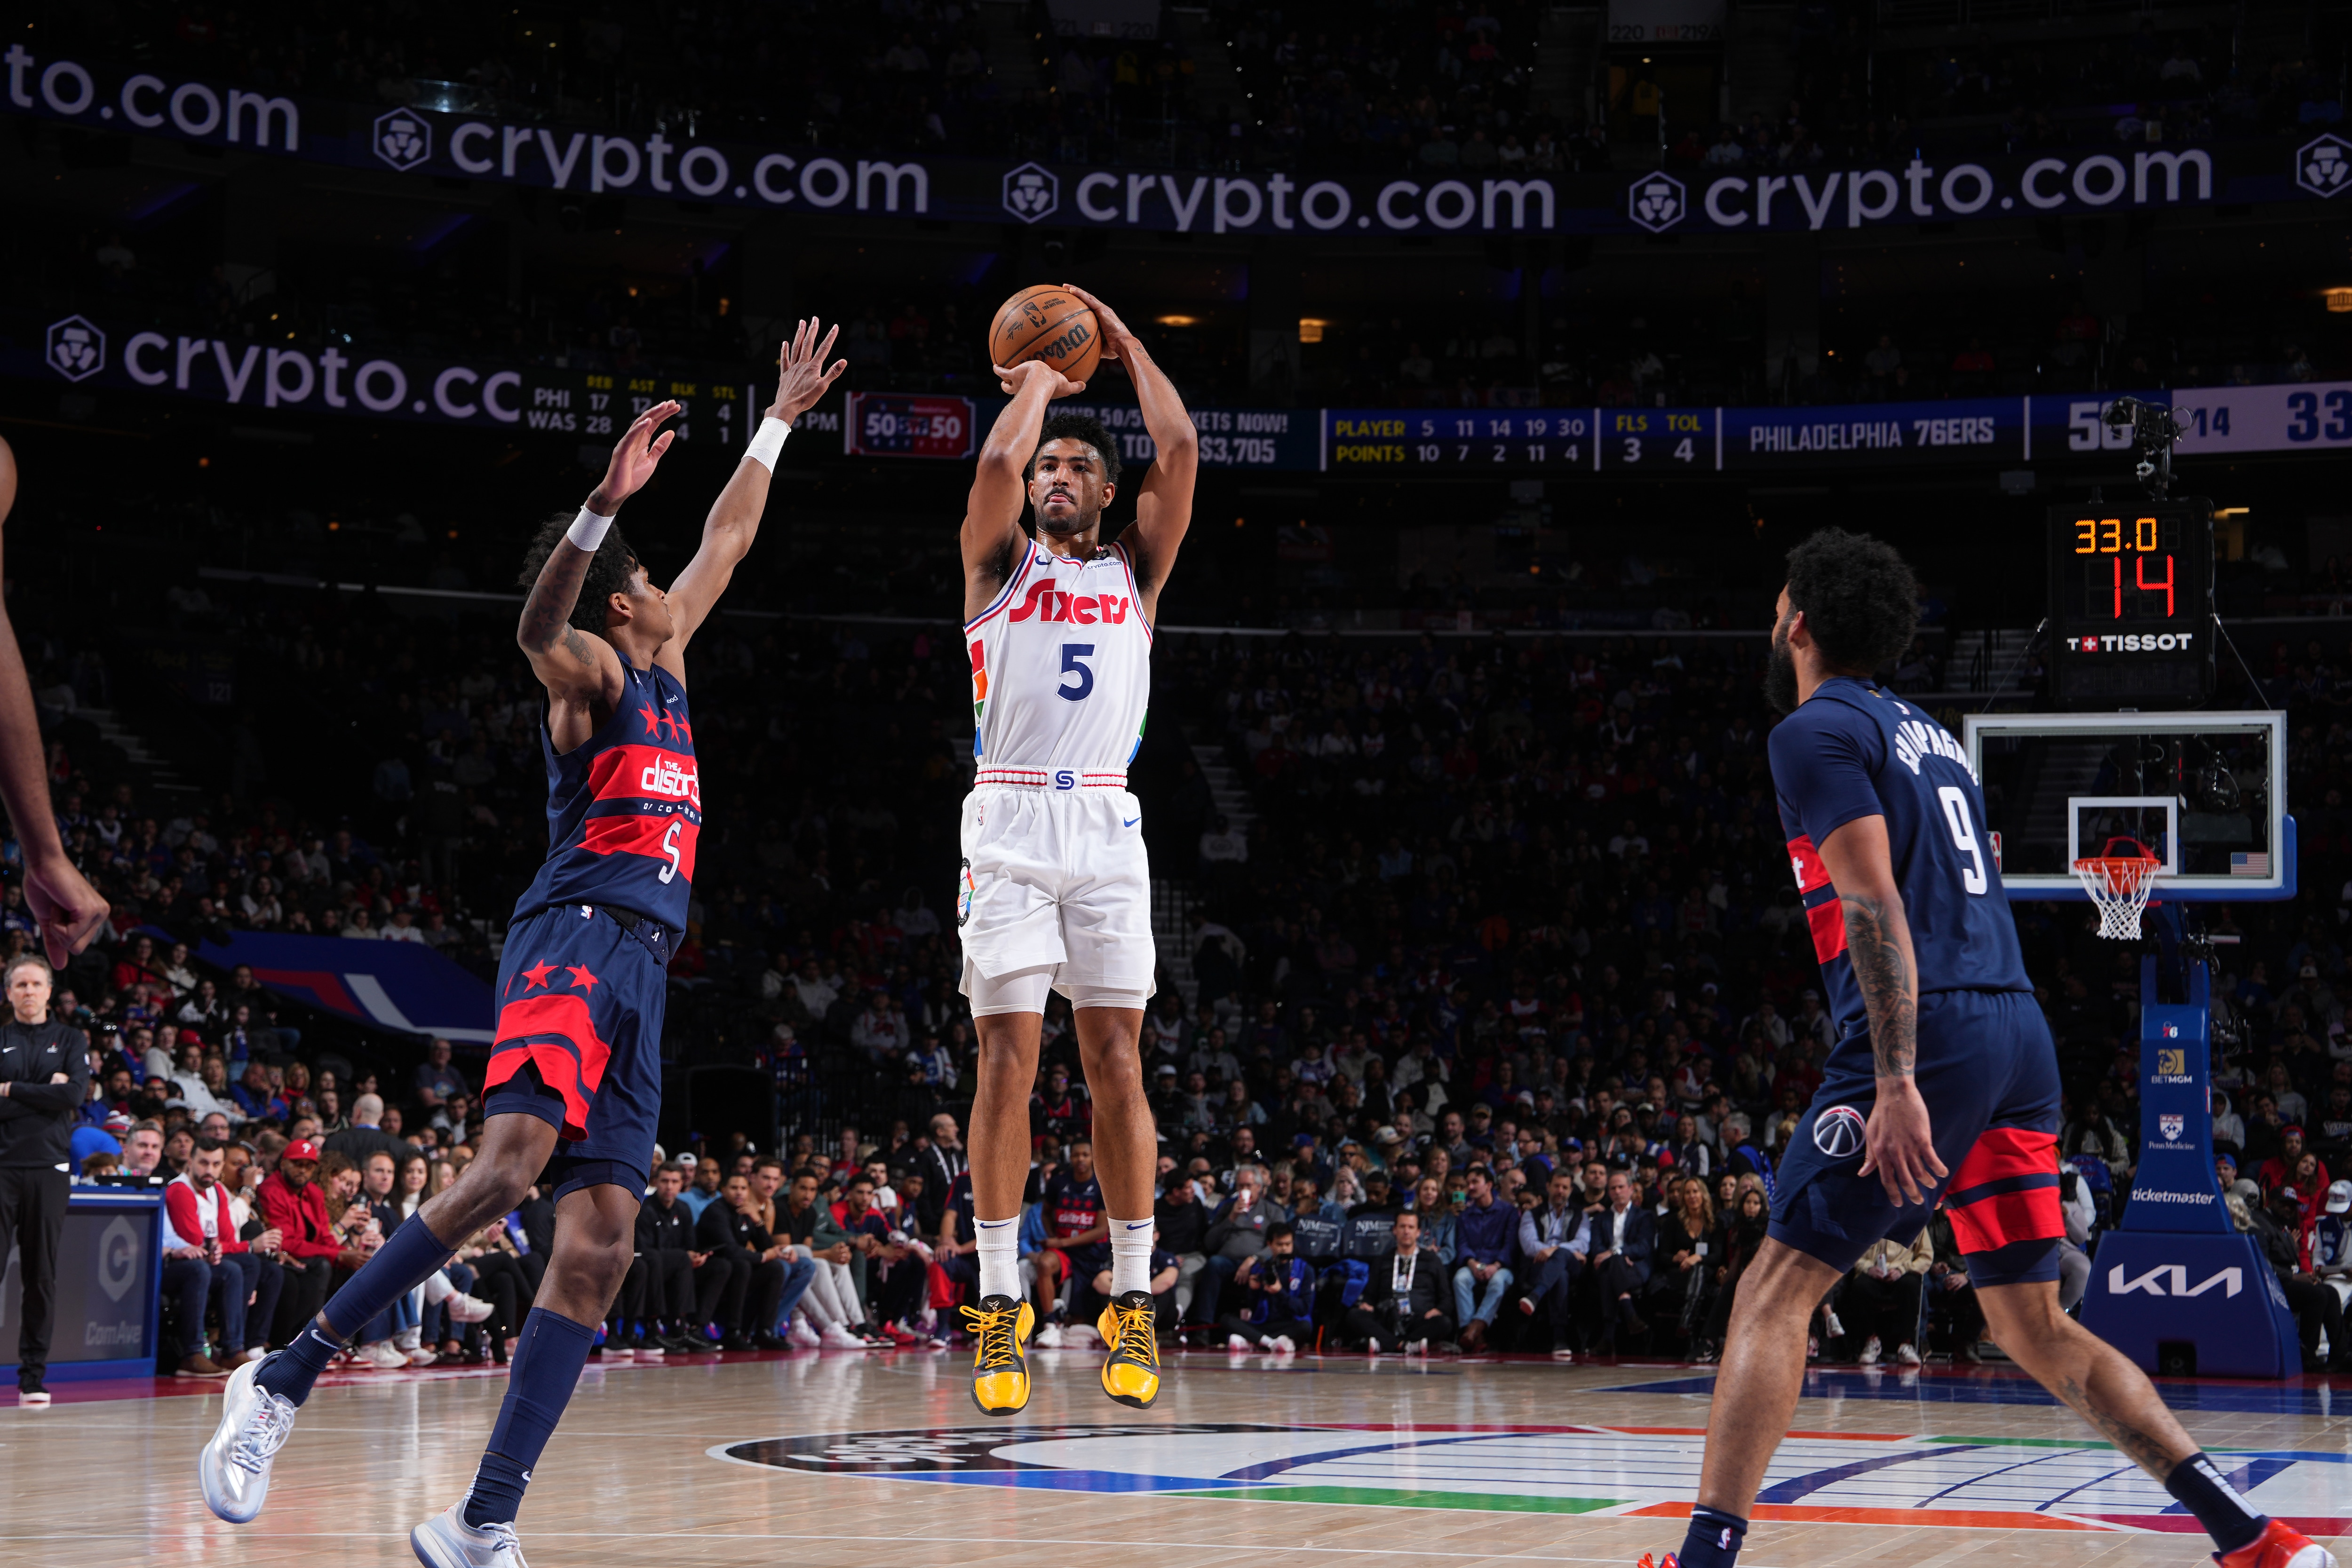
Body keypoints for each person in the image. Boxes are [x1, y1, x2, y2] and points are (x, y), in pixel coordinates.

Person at [200, 323, 846, 1558]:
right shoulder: (591, 675)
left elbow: (729, 536)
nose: (675, 583)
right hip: (573, 938)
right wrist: (601, 505)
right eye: (644, 572)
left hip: (644, 968)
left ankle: (481, 1518)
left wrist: (775, 421)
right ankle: (282, 1376)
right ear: (621, 595)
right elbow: (534, 629)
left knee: (599, 1246)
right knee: (506, 1171)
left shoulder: (671, 655)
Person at [1637, 528, 2332, 1568]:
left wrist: (1895, 1076)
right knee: (2032, 1324)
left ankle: (1703, 1560)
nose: (1771, 623)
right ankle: (2253, 1535)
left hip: (1938, 1031)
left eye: (1776, 608)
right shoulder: (1928, 734)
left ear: (1801, 625)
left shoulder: (1811, 730)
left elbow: (1872, 902)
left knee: (1773, 1288)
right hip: (2016, 1031)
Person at [956, 285, 1197, 1417]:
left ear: (1106, 492)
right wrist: (1041, 384)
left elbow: (1180, 449)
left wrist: (1128, 343)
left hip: (1104, 822)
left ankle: (1132, 1296)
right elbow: (993, 471)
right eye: (1047, 464)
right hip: (1007, 820)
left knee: (1116, 1062)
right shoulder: (998, 563)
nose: (1054, 474)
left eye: (1076, 467)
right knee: (1006, 1061)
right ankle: (999, 1302)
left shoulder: (1134, 572)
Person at [0, 955, 95, 1404]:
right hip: (3, 1168)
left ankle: (33, 1378)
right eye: (21, 984)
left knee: (40, 1276)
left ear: (49, 991)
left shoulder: (71, 1038)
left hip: (49, 1169)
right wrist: (47, 1092)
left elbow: (73, 1094)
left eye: (36, 984)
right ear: (9, 992)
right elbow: (58, 1095)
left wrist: (11, 1089)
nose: (29, 991)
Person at [163, 1138, 283, 1376]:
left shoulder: (217, 1190)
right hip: (175, 1263)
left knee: (248, 1265)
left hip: (204, 1262)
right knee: (212, 1268)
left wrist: (219, 1249)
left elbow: (227, 1237)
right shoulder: (180, 1190)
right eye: (204, 1163)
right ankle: (193, 1353)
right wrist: (232, 1247)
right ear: (190, 1162)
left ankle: (233, 1349)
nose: (209, 1170)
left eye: (216, 1164)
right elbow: (195, 1243)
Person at [1343, 1209, 1452, 1353]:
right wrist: (1367, 1304)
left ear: (1418, 1232)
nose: (1406, 1232)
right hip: (1387, 1319)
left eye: (1411, 1227)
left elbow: (1446, 1298)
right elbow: (1370, 1295)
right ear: (1395, 1230)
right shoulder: (1382, 1260)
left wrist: (1439, 1310)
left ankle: (1385, 1344)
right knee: (1354, 1315)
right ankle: (1405, 1345)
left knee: (1444, 1323)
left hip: (1418, 1320)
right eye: (1402, 1227)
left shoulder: (1432, 1261)